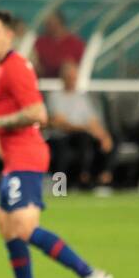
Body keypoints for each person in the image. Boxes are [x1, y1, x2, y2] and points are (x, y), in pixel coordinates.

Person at [0, 10, 112, 278]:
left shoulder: (16, 67)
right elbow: (4, 112)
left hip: (27, 154)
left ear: (9, 36)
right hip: (13, 157)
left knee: (25, 228)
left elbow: (38, 113)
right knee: (6, 225)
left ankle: (89, 274)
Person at [45, 59, 115, 188]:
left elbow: (92, 120)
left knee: (107, 139)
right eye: (69, 77)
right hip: (61, 137)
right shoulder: (55, 97)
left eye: (74, 77)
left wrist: (103, 135)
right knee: (79, 142)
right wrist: (84, 128)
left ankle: (99, 179)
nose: (73, 81)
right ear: (63, 78)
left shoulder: (82, 98)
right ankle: (63, 185)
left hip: (83, 136)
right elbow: (60, 122)